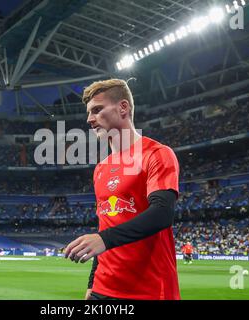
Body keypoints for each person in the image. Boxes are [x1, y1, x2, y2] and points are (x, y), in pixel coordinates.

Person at [64, 79, 180, 300]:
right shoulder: (100, 169)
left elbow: (162, 213)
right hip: (102, 289)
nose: (89, 119)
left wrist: (104, 239)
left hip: (149, 291)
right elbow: (105, 225)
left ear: (123, 108)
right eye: (89, 113)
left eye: (97, 110)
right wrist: (92, 283)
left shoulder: (156, 154)